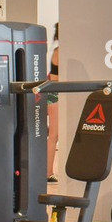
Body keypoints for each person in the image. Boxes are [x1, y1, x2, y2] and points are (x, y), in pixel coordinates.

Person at [47, 23, 60, 182]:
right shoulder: (59, 51)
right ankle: (48, 172)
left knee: (55, 135)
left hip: (57, 94)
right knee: (54, 135)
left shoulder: (58, 50)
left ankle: (49, 171)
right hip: (55, 94)